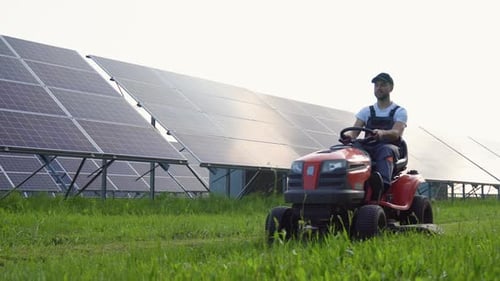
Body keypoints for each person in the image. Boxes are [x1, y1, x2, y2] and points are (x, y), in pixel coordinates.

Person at [341, 72, 408, 200]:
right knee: (352, 148)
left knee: (385, 150)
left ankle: (382, 186)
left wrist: (382, 133)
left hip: (390, 146)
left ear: (391, 88)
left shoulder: (399, 111)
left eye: (383, 85)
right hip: (369, 146)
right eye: (376, 85)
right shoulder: (366, 111)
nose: (379, 88)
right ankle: (347, 183)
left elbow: (396, 133)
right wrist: (348, 137)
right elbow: (354, 132)